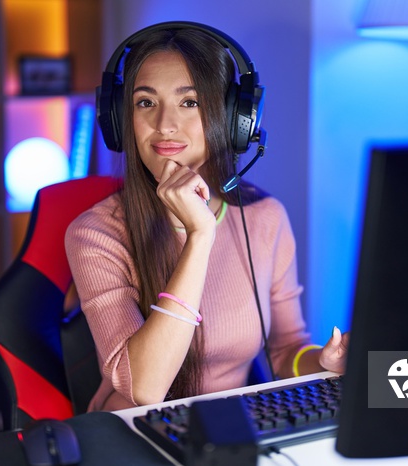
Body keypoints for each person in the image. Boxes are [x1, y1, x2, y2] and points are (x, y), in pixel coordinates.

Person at [65, 23, 348, 412]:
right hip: (131, 432)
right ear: (119, 118)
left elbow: (285, 351)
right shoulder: (95, 234)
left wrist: (324, 363)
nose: (164, 124)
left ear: (235, 118)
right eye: (145, 102)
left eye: (190, 102)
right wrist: (199, 236)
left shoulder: (265, 220)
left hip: (231, 431)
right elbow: (144, 389)